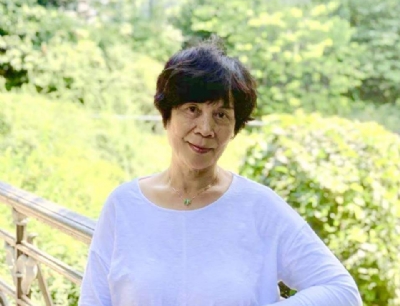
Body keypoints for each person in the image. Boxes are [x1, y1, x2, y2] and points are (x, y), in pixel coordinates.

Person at [78, 42, 362, 306]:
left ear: (235, 127)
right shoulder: (124, 205)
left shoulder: (259, 207)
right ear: (167, 115)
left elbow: (341, 291)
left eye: (221, 115)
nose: (205, 129)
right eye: (192, 109)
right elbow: (94, 300)